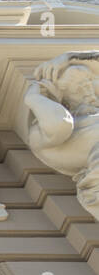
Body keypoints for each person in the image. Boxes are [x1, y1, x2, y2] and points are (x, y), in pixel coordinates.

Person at [24, 51, 99, 219]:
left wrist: (70, 58)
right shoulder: (63, 126)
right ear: (62, 99)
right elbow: (58, 125)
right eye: (78, 89)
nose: (88, 92)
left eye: (88, 84)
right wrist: (35, 99)